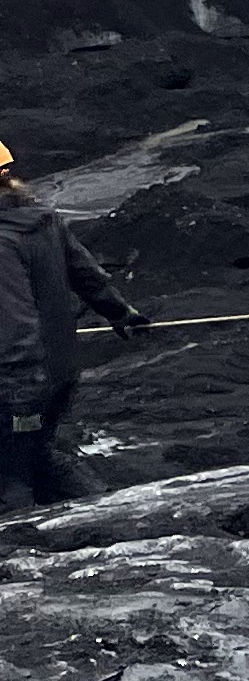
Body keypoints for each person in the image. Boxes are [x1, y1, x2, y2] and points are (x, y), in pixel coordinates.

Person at [1, 140, 151, 512]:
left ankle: (25, 552)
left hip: (19, 384)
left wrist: (18, 389)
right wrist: (120, 312)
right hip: (57, 375)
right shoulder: (40, 219)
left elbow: (14, 323)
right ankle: (111, 511)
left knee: (11, 475)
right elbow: (86, 274)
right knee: (37, 457)